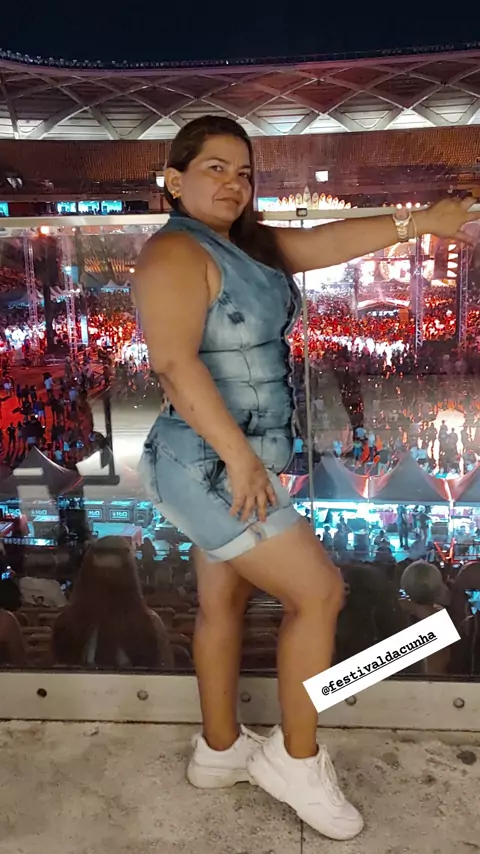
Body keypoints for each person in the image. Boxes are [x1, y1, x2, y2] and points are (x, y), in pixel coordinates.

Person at [133, 114, 480, 841]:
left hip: (237, 457)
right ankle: (294, 760)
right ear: (173, 179)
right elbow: (174, 364)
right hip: (210, 462)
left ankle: (219, 750)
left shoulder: (244, 246)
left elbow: (326, 243)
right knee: (319, 592)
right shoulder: (172, 253)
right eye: (215, 168)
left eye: (244, 172)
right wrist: (241, 461)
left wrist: (419, 223)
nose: (234, 183)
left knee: (222, 603)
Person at [53, 536, 174, 670]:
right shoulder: (150, 624)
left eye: (112, 576)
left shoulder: (64, 622)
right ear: (130, 579)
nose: (107, 580)